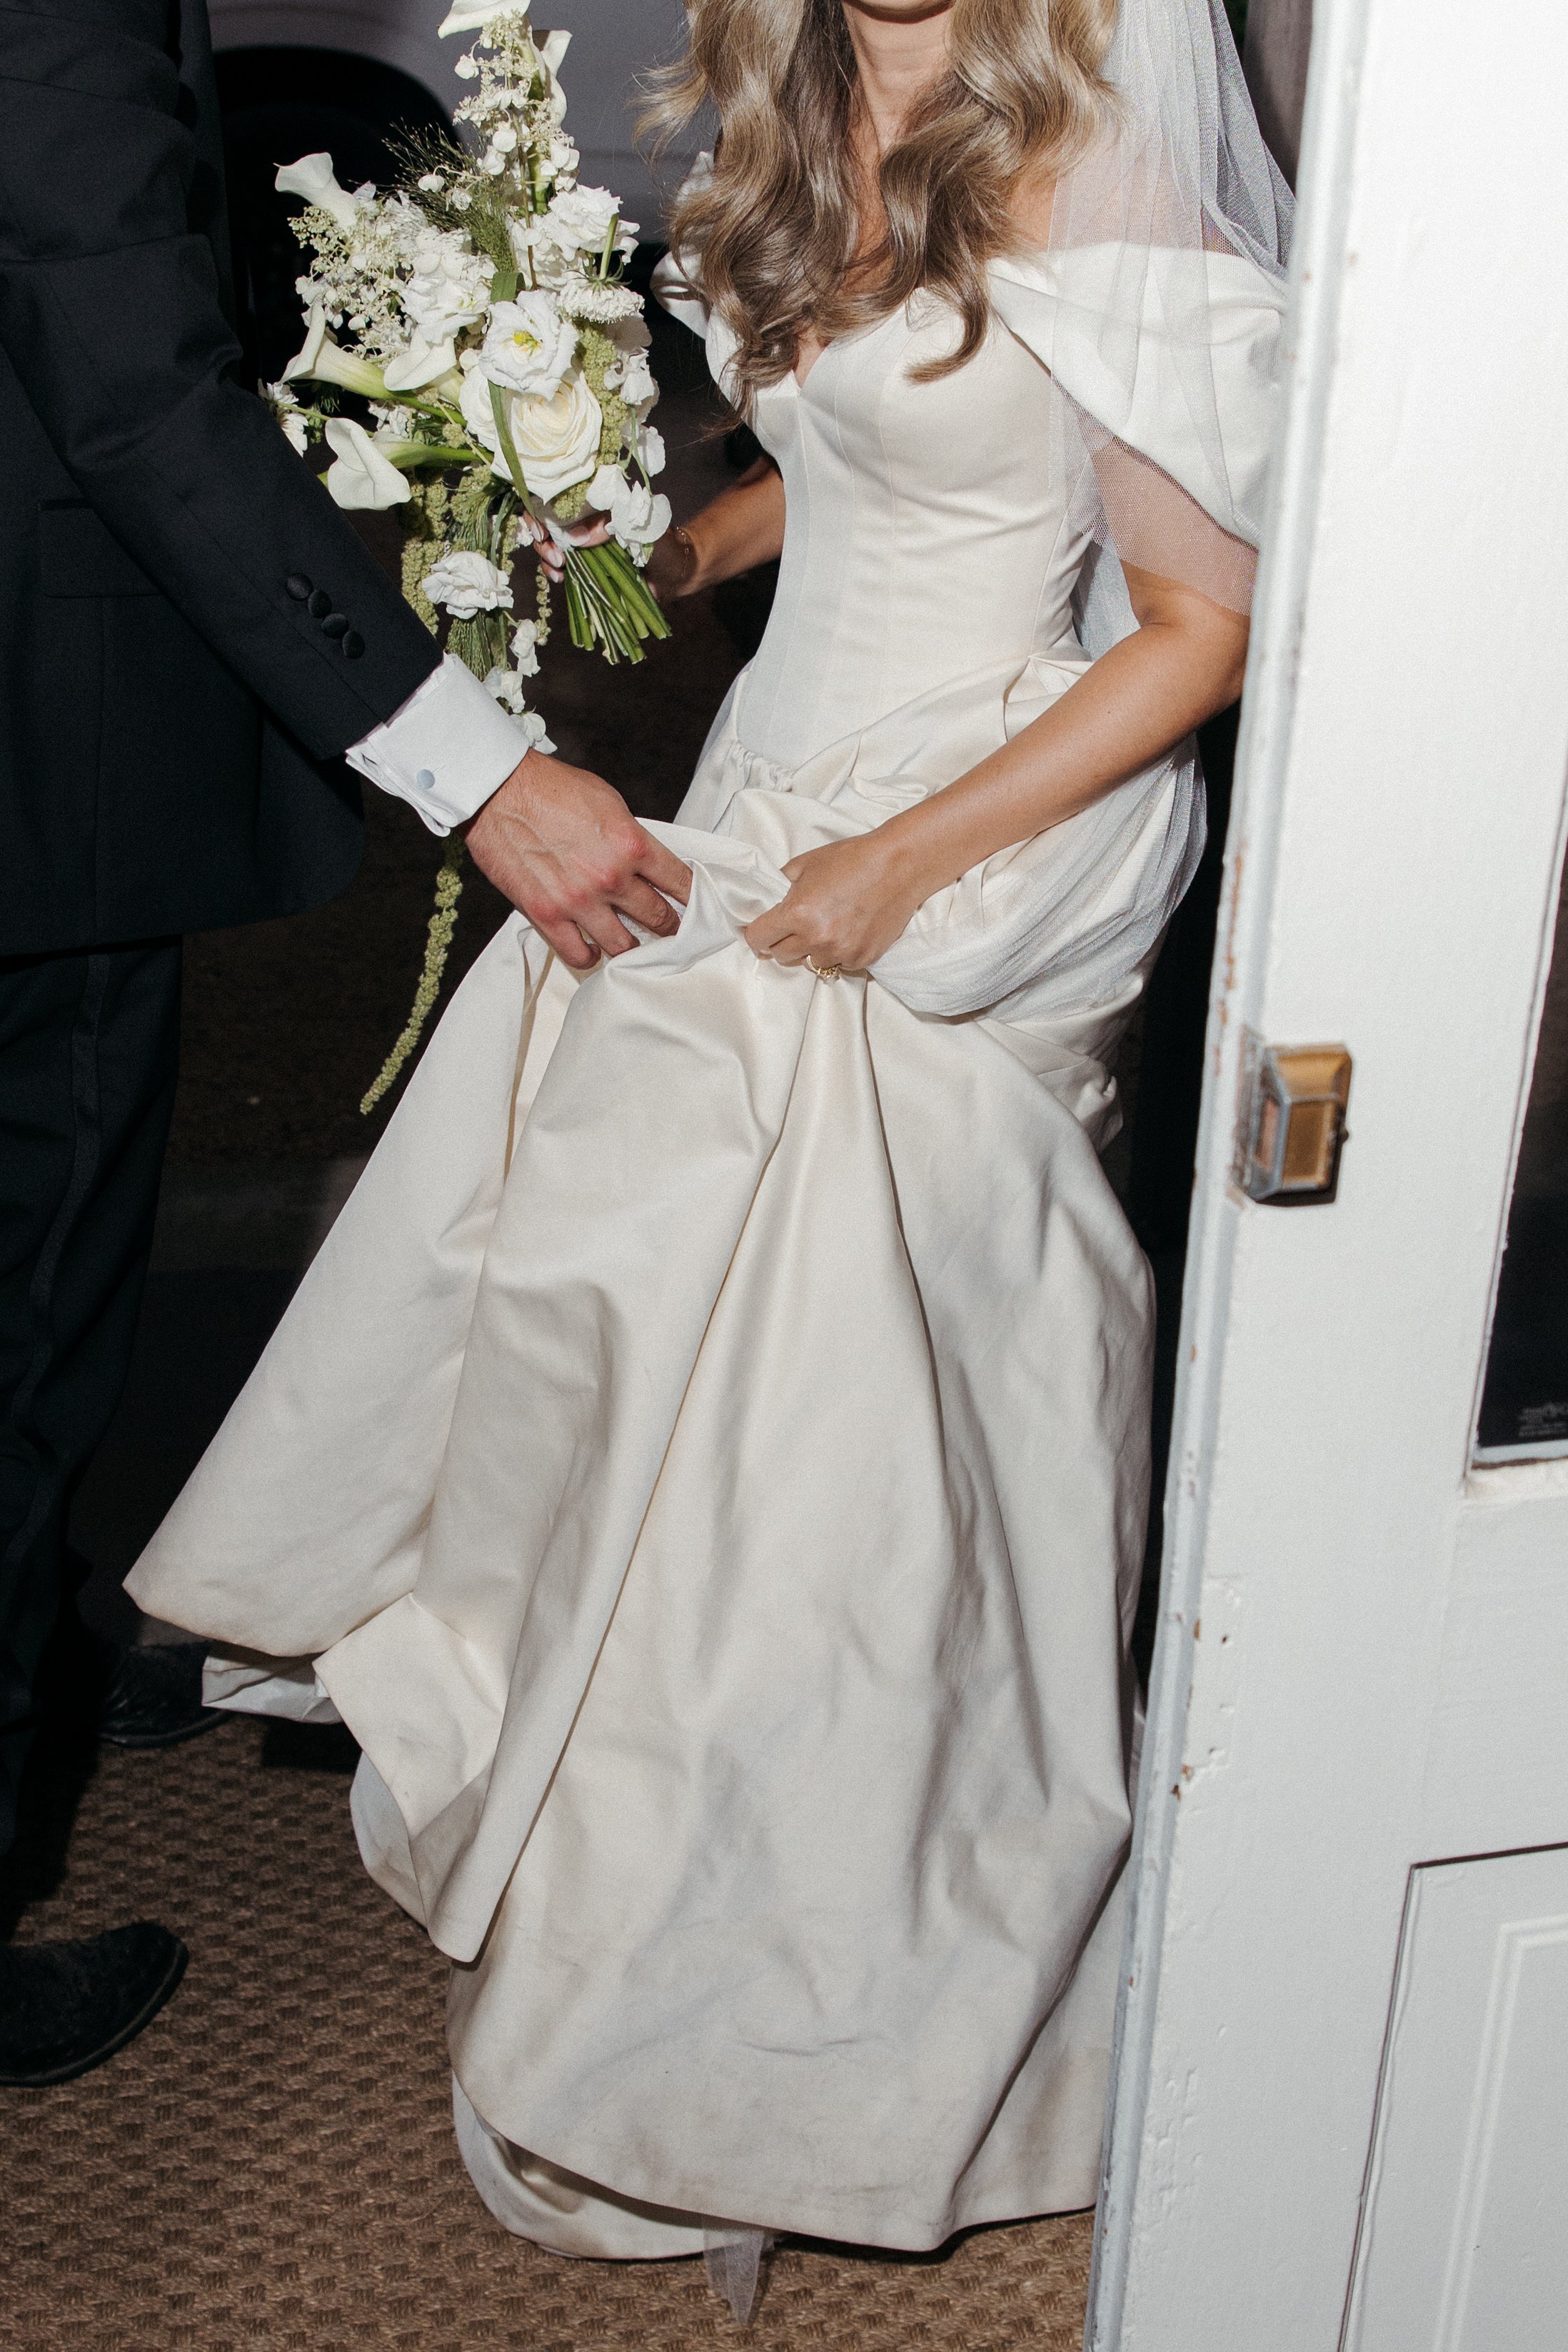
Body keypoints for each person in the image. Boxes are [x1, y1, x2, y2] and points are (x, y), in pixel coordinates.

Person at [129, 0, 1291, 2310]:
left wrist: (892, 867)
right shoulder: (793, 125)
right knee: (673, 1383)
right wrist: (705, 514)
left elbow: (1196, 624)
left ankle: (857, 1990)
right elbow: (906, 452)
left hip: (978, 845)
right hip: (774, 772)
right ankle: (646, 1919)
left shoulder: (1106, 165)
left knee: (840, 1439)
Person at [0, 0, 688, 2089]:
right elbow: (133, 397)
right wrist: (466, 764)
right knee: (24, 1343)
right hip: (41, 818)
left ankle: (41, 1666)